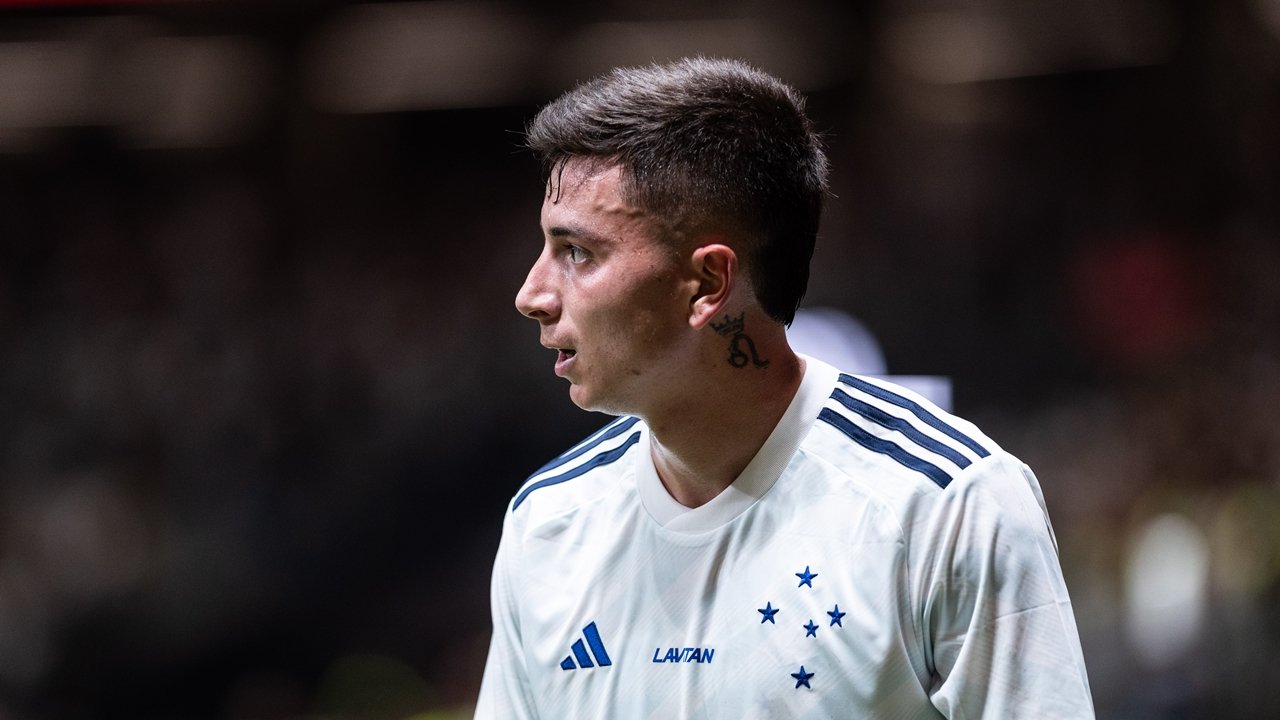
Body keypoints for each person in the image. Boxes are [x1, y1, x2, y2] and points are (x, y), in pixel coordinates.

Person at [475, 57, 1094, 719]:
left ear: (708, 284)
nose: (531, 294)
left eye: (578, 252)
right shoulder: (547, 524)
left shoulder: (948, 507)